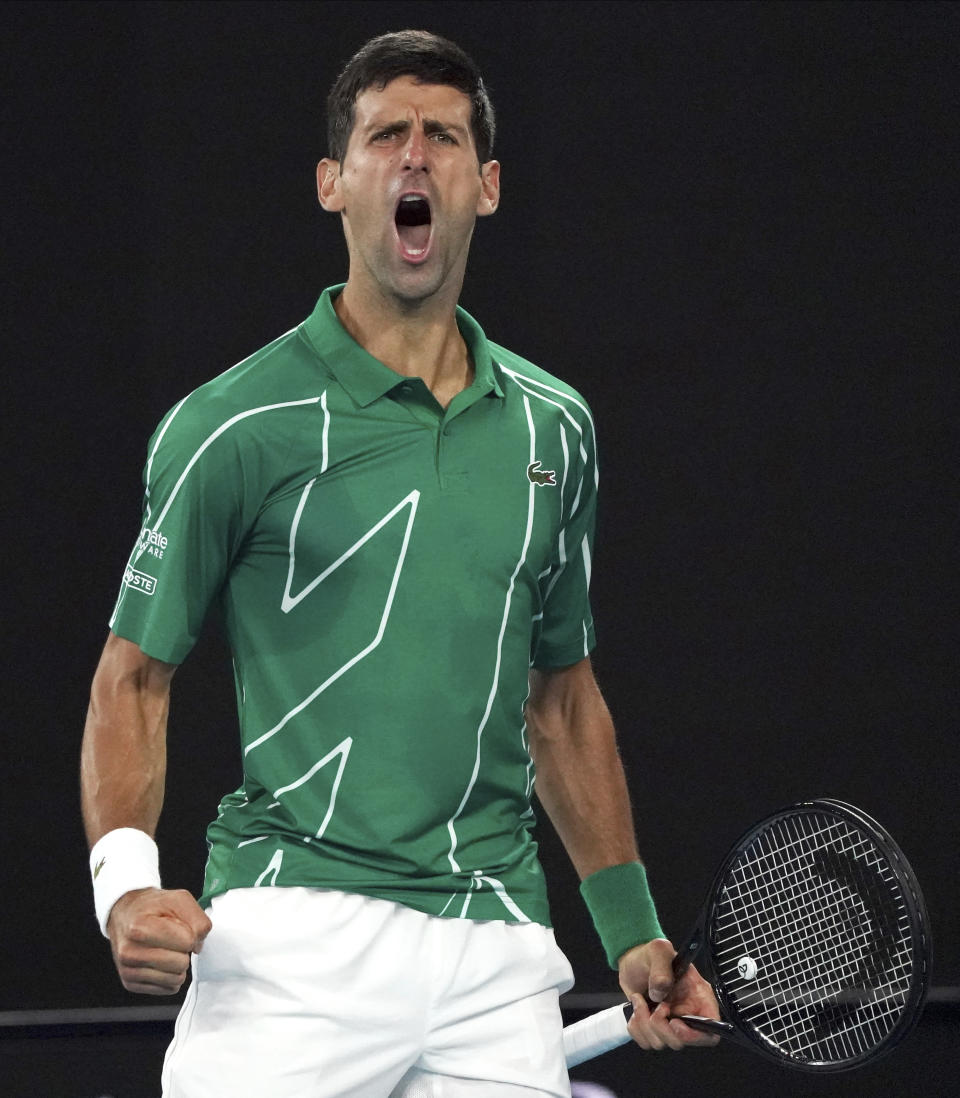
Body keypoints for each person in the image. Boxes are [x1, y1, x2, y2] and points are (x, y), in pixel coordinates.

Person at [80, 30, 719, 1098]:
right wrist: (125, 890)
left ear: (489, 184)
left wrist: (634, 935)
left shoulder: (555, 430)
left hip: (497, 949)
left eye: (444, 136)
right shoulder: (235, 426)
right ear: (335, 183)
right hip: (290, 941)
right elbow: (131, 677)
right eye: (386, 136)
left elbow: (560, 702)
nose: (415, 157)